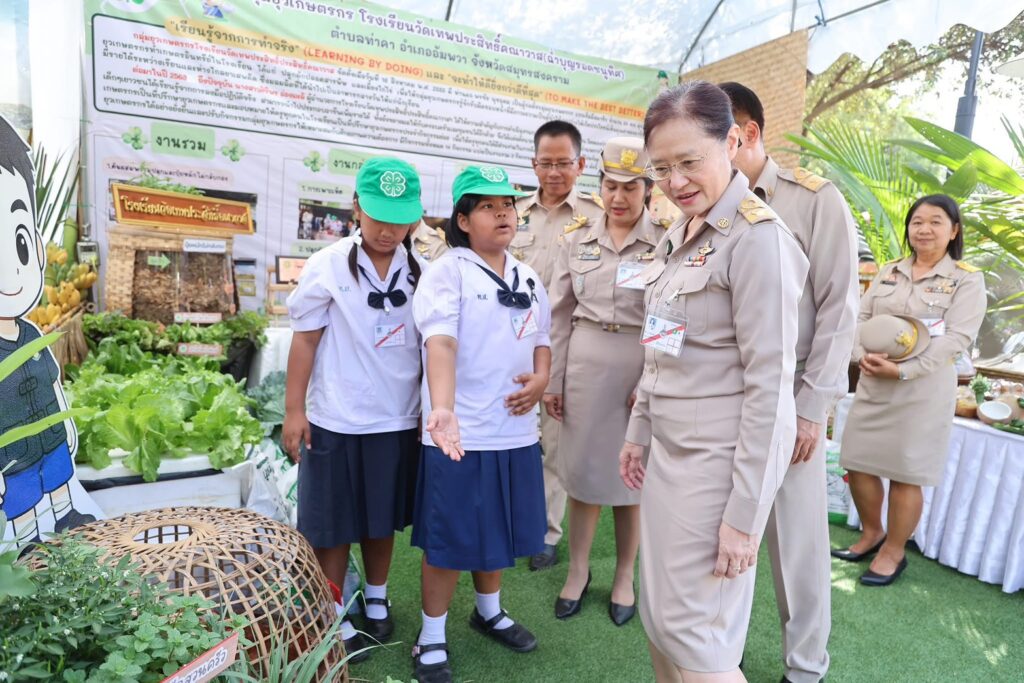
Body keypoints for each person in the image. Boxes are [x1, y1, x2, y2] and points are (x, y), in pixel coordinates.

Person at [619, 81, 808, 682]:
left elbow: (770, 392)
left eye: (689, 161)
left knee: (700, 641)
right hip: (668, 457)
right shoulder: (681, 234)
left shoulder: (759, 239)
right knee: (663, 622)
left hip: (717, 470)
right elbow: (660, 345)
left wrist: (744, 516)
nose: (675, 181)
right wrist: (638, 430)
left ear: (731, 142)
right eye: (661, 168)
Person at [720, 81, 859, 683]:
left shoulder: (812, 200)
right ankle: (719, 651)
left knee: (796, 544)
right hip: (719, 396)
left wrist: (810, 408)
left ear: (747, 134)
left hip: (788, 394)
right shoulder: (706, 203)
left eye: (713, 137)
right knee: (722, 530)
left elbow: (839, 309)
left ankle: (803, 668)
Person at [410, 166, 550, 683]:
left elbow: (542, 340)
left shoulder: (528, 275)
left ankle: (488, 611)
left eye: (508, 205)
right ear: (463, 220)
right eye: (488, 207)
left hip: (515, 432)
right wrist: (443, 409)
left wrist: (541, 379)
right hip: (459, 434)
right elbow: (440, 343)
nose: (503, 214)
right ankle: (431, 636)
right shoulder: (447, 272)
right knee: (448, 539)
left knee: (498, 531)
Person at [283, 157, 424, 663]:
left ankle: (378, 596)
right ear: (357, 207)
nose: (388, 231)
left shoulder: (423, 271)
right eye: (378, 217)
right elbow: (304, 341)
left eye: (400, 220)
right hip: (336, 417)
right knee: (333, 524)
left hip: (398, 417)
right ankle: (333, 612)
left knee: (380, 518)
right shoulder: (326, 265)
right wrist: (294, 410)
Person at [543, 136, 666, 626]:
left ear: (648, 191)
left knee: (632, 480)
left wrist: (652, 381)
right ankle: (577, 571)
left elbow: (670, 319)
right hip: (585, 367)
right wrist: (553, 380)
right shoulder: (577, 238)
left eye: (630, 188)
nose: (619, 197)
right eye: (611, 186)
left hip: (639, 367)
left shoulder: (667, 241)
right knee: (584, 476)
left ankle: (624, 576)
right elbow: (558, 315)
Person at [835, 194, 986, 586]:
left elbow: (957, 338)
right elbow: (860, 316)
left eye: (935, 222)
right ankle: (872, 533)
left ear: (953, 231)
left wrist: (903, 371)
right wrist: (861, 356)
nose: (924, 229)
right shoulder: (889, 271)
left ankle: (894, 550)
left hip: (922, 390)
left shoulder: (967, 279)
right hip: (874, 381)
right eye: (917, 221)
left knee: (906, 474)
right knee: (858, 462)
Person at [514, 120, 604, 570]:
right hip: (510, 343)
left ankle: (546, 533)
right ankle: (510, 520)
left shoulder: (598, 216)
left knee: (554, 439)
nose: (554, 172)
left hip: (565, 341)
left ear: (580, 164)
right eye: (545, 163)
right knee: (507, 436)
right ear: (534, 164)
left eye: (563, 163)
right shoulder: (512, 212)